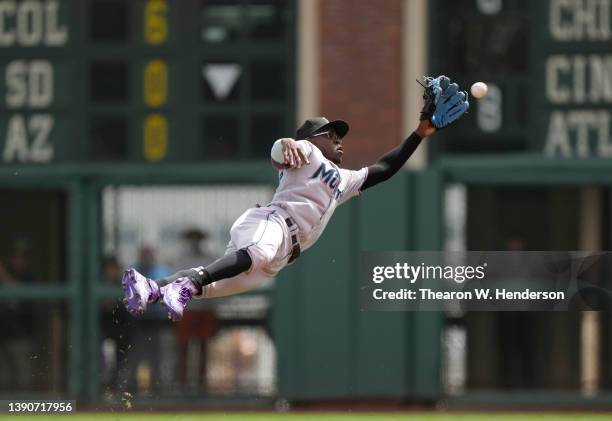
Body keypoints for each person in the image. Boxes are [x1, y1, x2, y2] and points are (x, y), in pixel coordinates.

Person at [122, 75, 469, 321]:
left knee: (213, 289)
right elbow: (279, 153)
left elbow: (385, 168)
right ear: (311, 139)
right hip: (270, 225)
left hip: (282, 255)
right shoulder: (305, 152)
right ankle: (190, 282)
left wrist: (420, 133)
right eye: (330, 133)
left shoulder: (343, 179)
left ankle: (150, 287)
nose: (338, 139)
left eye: (339, 135)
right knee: (250, 256)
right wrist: (285, 143)